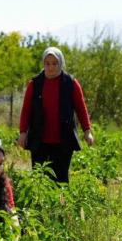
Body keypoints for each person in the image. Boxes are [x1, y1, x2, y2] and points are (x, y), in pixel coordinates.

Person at [17, 46, 94, 183]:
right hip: (39, 140)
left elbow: (81, 109)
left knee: (61, 178)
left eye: (54, 63)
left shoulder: (71, 83)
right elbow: (26, 110)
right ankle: (40, 204)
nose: (51, 67)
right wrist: (23, 132)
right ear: (43, 64)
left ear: (61, 63)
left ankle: (60, 204)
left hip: (63, 140)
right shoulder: (34, 84)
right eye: (47, 63)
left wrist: (87, 131)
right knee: (39, 178)